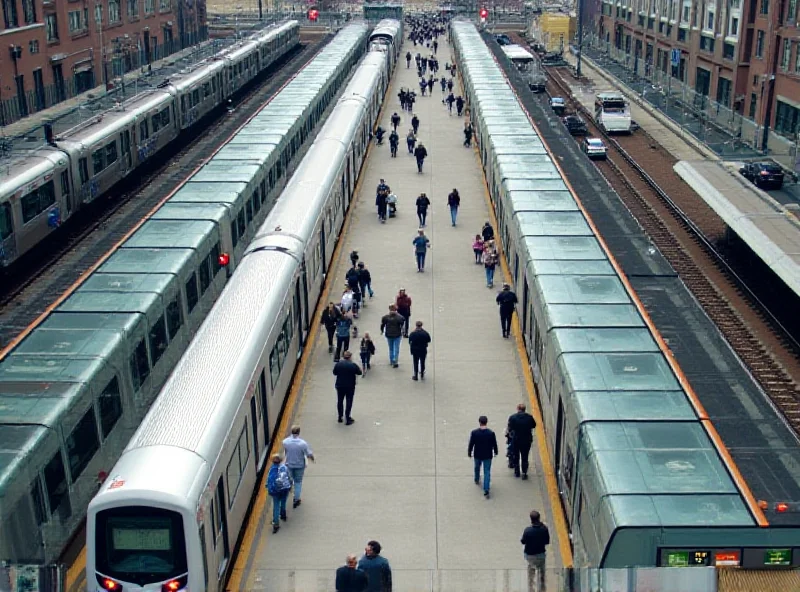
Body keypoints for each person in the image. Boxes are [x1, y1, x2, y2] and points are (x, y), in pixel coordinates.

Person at [282, 426, 315, 508]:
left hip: (289, 464)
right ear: (299, 432)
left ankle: (288, 490)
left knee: (290, 479)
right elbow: (308, 454)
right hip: (299, 465)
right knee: (298, 482)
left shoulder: (286, 442)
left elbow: (285, 450)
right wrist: (312, 458)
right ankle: (296, 499)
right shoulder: (303, 443)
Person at [468, 415, 498, 497]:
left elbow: (471, 444)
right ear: (486, 422)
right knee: (487, 471)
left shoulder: (474, 433)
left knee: (477, 467)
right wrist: (495, 452)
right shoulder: (491, 433)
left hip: (478, 454)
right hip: (487, 455)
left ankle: (477, 479)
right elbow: (494, 444)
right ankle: (486, 489)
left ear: (479, 422)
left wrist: (469, 452)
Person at [521, 511, 550, 592]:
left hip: (529, 556)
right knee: (542, 570)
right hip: (541, 555)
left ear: (531, 519)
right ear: (539, 518)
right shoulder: (544, 529)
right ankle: (542, 587)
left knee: (531, 569)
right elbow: (547, 542)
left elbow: (523, 541)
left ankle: (531, 587)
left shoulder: (527, 530)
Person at [507, 403, 536, 479]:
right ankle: (524, 472)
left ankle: (517, 472)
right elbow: (534, 425)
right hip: (526, 440)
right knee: (525, 456)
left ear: (518, 409)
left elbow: (510, 428)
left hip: (516, 440)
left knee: (516, 455)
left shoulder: (513, 417)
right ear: (524, 409)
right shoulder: (529, 417)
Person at [333, 351, 362, 425]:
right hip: (350, 386)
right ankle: (347, 418)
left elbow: (334, 373)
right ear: (350, 357)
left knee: (340, 401)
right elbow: (359, 372)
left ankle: (340, 416)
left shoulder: (338, 364)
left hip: (339, 386)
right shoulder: (353, 365)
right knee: (349, 401)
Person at [266, 454, 292, 533]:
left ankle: (276, 523)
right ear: (280, 460)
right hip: (284, 489)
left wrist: (268, 487)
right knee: (283, 502)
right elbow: (289, 477)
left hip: (275, 491)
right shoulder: (284, 467)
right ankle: (283, 515)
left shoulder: (271, 469)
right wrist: (290, 485)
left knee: (276, 506)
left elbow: (269, 481)